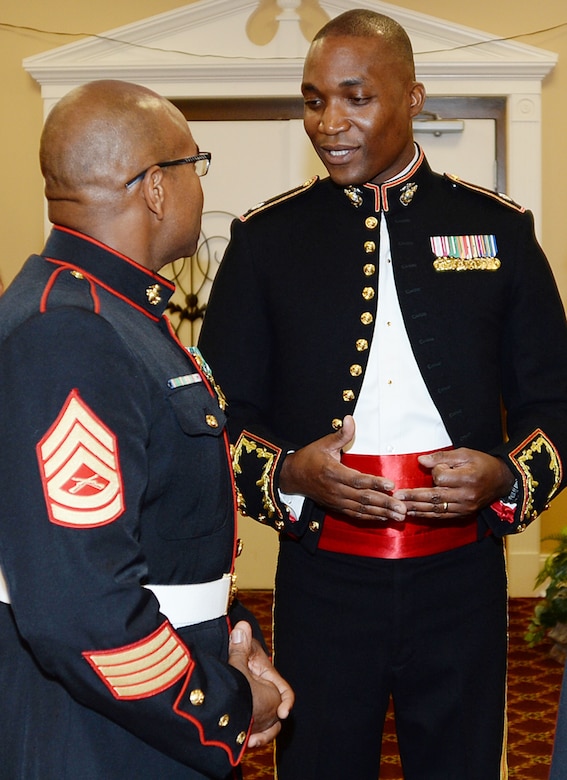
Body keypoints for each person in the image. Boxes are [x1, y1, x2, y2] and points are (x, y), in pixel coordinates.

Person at [198, 9, 567, 780]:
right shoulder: (265, 241)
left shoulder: (497, 231)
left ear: (414, 98)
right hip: (321, 580)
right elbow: (218, 419)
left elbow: (552, 402)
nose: (328, 123)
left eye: (355, 98)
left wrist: (504, 477)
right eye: (312, 100)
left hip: (461, 579)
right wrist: (290, 473)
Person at [0, 79, 293, 780]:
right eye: (198, 165)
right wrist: (220, 703)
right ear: (157, 187)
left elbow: (161, 533)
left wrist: (230, 635)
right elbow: (80, 609)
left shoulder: (117, 314)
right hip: (103, 733)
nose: (199, 187)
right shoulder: (72, 333)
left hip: (138, 704)